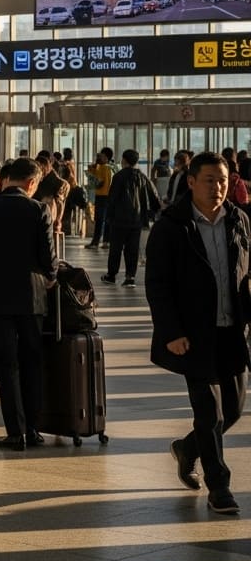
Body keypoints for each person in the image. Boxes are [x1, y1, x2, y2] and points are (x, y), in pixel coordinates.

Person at [146, 151, 250, 515]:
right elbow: (157, 284)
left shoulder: (238, 220)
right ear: (190, 182)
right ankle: (218, 485)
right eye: (210, 180)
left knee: (233, 410)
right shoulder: (171, 226)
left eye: (224, 181)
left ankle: (187, 449)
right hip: (193, 333)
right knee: (210, 413)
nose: (218, 188)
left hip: (232, 330)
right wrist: (171, 331)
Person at [0, 158, 58, 450]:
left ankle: (15, 432)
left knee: (6, 366)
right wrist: (50, 277)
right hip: (31, 300)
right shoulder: (38, 210)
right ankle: (33, 428)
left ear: (7, 179)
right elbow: (48, 260)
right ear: (31, 183)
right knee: (32, 362)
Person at [101, 149, 160, 287]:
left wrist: (108, 216)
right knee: (132, 249)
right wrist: (155, 212)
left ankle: (111, 275)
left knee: (116, 248)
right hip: (136, 220)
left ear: (124, 160)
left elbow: (112, 198)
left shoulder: (119, 176)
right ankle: (130, 277)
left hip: (119, 219)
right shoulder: (142, 177)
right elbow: (154, 195)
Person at [85, 150, 114, 248]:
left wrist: (93, 169)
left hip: (102, 196)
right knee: (105, 219)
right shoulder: (107, 167)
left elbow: (98, 182)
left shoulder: (104, 168)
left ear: (106, 158)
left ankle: (95, 242)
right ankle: (106, 241)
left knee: (100, 219)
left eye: (101, 156)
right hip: (105, 196)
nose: (98, 158)